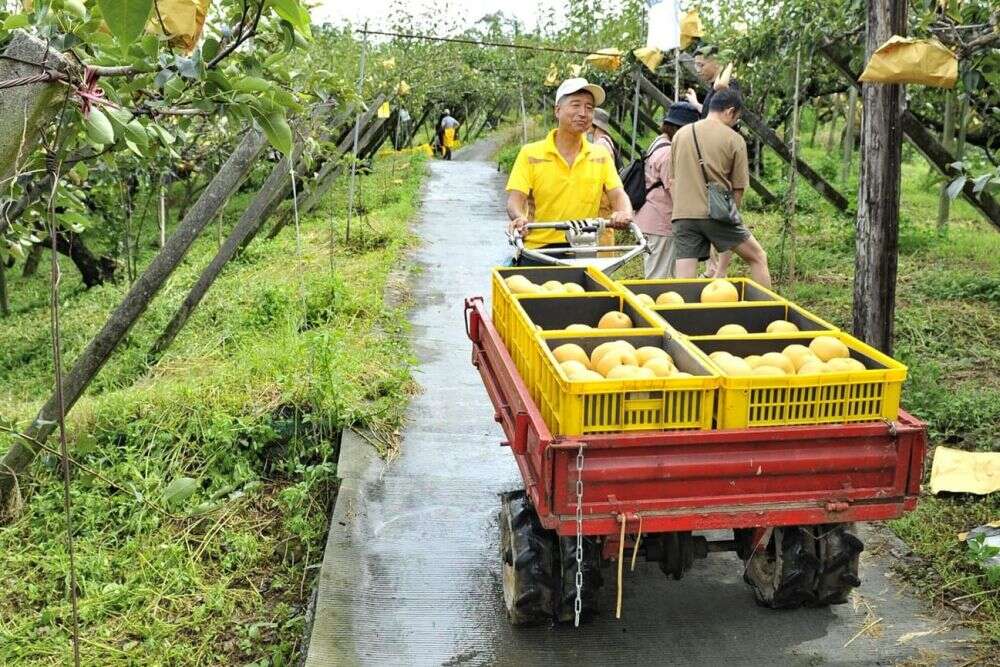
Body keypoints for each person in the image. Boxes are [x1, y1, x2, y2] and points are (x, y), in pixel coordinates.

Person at [506, 78, 633, 264]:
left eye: (589, 108)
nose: (583, 113)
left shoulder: (600, 155)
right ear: (557, 110)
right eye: (576, 105)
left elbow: (618, 195)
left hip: (583, 249)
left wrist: (624, 213)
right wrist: (519, 218)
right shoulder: (530, 153)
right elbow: (514, 201)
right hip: (538, 250)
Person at [668, 88, 771, 287]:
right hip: (715, 214)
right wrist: (730, 220)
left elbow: (672, 181)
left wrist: (683, 209)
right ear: (730, 111)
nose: (735, 122)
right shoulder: (734, 139)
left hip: (682, 215)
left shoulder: (680, 134)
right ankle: (770, 312)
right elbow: (739, 189)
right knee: (758, 257)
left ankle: (681, 317)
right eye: (736, 118)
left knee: (684, 280)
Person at [634, 101, 700, 279]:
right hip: (660, 222)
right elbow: (675, 192)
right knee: (657, 277)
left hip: (651, 218)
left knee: (661, 273)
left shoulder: (659, 142)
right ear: (681, 129)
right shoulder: (668, 153)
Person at [590, 107, 621, 250]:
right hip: (603, 201)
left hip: (602, 201)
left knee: (603, 236)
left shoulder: (601, 145)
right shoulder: (605, 142)